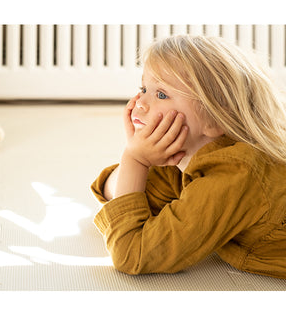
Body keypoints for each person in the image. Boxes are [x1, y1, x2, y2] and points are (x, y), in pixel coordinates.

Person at [91, 34, 286, 279]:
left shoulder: (232, 175)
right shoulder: (184, 158)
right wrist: (137, 157)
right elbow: (112, 192)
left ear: (215, 120)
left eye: (161, 94)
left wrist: (135, 160)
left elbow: (132, 253)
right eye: (143, 89)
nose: (139, 103)